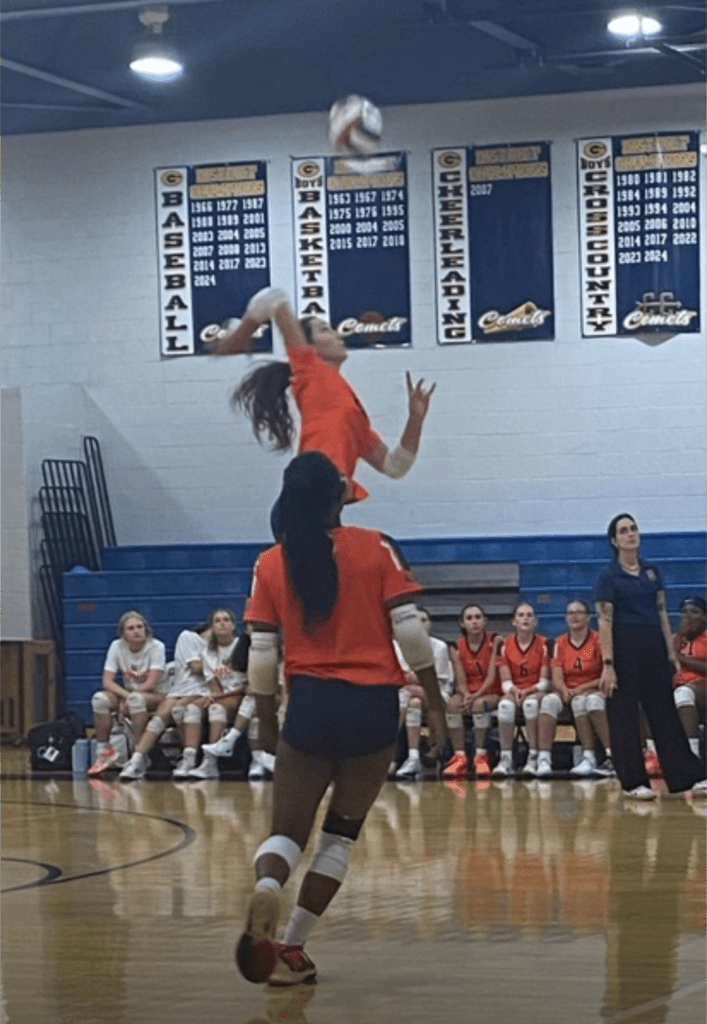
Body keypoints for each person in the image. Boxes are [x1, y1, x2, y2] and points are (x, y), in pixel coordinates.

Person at [234, 451, 448, 987]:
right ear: (340, 497)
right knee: (339, 839)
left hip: (310, 706)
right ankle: (293, 946)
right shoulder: (375, 547)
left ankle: (268, 888)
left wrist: (264, 721)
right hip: (373, 708)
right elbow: (412, 636)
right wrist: (438, 708)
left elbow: (262, 656)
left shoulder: (271, 562)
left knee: (286, 834)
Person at [210, 286, 435, 528]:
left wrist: (415, 420)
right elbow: (274, 299)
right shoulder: (310, 369)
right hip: (302, 504)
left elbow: (395, 466)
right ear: (311, 348)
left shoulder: (354, 413)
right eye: (325, 330)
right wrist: (238, 339)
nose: (338, 334)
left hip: (326, 511)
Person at [594, 513, 707, 801]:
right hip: (623, 650)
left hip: (653, 648)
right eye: (624, 530)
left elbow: (660, 612)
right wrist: (608, 664)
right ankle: (633, 781)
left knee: (665, 713)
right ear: (614, 540)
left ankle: (686, 776)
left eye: (633, 529)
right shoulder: (608, 576)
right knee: (626, 717)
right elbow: (605, 621)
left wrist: (672, 654)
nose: (631, 534)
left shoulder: (652, 572)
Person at [536, 599, 615, 778]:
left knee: (587, 701)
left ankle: (611, 756)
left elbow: (605, 674)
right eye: (571, 613)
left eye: (579, 612)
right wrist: (564, 690)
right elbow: (556, 676)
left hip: (594, 688)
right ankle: (543, 759)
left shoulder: (598, 639)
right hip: (568, 690)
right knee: (548, 701)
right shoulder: (560, 642)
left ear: (588, 618)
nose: (575, 616)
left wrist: (581, 688)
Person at [88, 611, 166, 775]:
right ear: (123, 633)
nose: (136, 631)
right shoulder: (116, 646)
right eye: (131, 628)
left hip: (156, 696)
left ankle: (139, 753)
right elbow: (107, 681)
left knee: (136, 700)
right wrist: (126, 696)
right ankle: (102, 750)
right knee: (99, 699)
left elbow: (151, 683)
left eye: (140, 627)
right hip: (129, 694)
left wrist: (129, 697)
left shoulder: (156, 647)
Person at [393, 606, 460, 779]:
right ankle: (412, 756)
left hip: (438, 694)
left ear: (430, 624)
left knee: (408, 696)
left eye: (424, 620)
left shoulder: (439, 646)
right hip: (411, 696)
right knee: (412, 702)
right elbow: (398, 678)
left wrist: (414, 680)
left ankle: (392, 753)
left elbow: (436, 682)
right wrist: (415, 680)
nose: (420, 625)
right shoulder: (396, 645)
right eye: (416, 621)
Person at [493, 602, 551, 777]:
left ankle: (533, 756)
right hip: (515, 689)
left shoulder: (543, 643)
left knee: (531, 704)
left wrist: (529, 690)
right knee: (505, 707)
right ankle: (506, 759)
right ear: (513, 621)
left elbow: (545, 680)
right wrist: (514, 690)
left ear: (535, 621)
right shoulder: (506, 644)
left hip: (536, 689)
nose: (525, 618)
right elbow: (504, 680)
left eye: (529, 615)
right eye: (521, 615)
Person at [448, 603, 503, 778]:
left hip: (491, 691)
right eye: (469, 618)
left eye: (478, 617)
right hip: (469, 692)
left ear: (485, 621)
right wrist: (465, 695)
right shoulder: (456, 646)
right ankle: (460, 756)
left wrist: (474, 697)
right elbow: (460, 680)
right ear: (462, 623)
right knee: (452, 705)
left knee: (479, 705)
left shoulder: (495, 641)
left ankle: (480, 755)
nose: (474, 622)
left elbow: (492, 677)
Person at [671, 595, 706, 759]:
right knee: (651, 694)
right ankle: (651, 752)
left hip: (701, 684)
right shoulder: (678, 639)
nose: (688, 616)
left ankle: (692, 755)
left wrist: (682, 659)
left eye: (694, 612)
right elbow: (667, 664)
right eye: (684, 612)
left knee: (684, 693)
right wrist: (679, 637)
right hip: (681, 685)